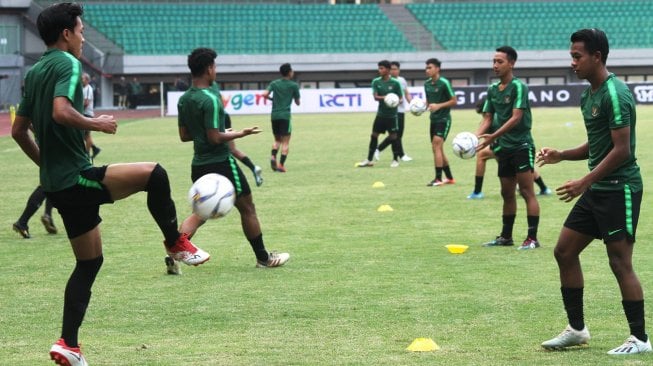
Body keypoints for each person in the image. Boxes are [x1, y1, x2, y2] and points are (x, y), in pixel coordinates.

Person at [11, 4, 210, 365]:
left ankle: (68, 345)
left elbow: (17, 130)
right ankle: (176, 242)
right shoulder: (67, 64)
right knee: (155, 174)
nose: (84, 38)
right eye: (81, 31)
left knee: (89, 263)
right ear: (67, 34)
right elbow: (59, 111)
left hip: (58, 185)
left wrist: (47, 165)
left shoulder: (36, 70)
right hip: (75, 180)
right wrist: (96, 123)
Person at [539, 28, 651, 355]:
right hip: (599, 188)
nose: (572, 62)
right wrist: (563, 155)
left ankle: (640, 340)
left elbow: (622, 150)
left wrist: (582, 182)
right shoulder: (589, 95)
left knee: (620, 262)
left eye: (577, 56)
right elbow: (597, 144)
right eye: (571, 55)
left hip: (620, 189)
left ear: (596, 56)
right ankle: (576, 329)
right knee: (564, 251)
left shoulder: (615, 93)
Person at [176, 47, 289, 270]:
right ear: (209, 69)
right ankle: (264, 258)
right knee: (248, 209)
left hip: (198, 164)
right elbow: (216, 137)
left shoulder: (184, 99)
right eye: (215, 66)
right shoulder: (211, 99)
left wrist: (203, 133)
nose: (215, 70)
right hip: (221, 163)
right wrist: (241, 133)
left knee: (200, 212)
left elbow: (184, 135)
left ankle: (175, 252)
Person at [476, 46, 541, 250]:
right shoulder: (492, 90)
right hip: (503, 148)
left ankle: (532, 238)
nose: (495, 65)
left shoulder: (519, 87)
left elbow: (516, 117)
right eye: (493, 61)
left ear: (511, 63)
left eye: (499, 61)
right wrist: (474, 137)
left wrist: (493, 136)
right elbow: (487, 118)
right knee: (507, 193)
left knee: (526, 191)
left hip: (521, 146)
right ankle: (506, 237)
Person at [468, 98, 551, 199]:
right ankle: (543, 188)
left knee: (482, 155)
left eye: (483, 113)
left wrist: (471, 142)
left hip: (506, 146)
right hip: (511, 145)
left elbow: (490, 136)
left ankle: (477, 192)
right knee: (523, 167)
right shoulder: (499, 116)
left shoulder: (493, 119)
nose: (483, 116)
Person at [357, 60, 403, 168]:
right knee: (373, 135)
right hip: (381, 115)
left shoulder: (395, 83)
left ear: (387, 70)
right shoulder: (376, 82)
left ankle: (395, 160)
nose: (380, 70)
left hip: (392, 116)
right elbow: (375, 97)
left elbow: (400, 98)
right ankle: (369, 159)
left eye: (382, 68)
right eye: (379, 68)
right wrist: (387, 98)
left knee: (393, 137)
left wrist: (396, 101)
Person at [424, 58, 457, 185]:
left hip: (444, 119)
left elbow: (454, 101)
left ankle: (438, 178)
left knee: (436, 146)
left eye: (430, 68)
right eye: (426, 68)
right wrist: (421, 107)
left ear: (437, 69)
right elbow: (428, 101)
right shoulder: (426, 84)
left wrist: (438, 106)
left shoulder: (444, 83)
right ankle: (449, 178)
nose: (427, 70)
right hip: (433, 120)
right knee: (438, 148)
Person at [261, 63, 300, 173]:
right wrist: (293, 98)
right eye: (292, 70)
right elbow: (297, 103)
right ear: (289, 72)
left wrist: (271, 99)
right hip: (285, 116)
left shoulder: (274, 83)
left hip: (274, 115)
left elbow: (264, 94)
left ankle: (273, 156)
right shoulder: (293, 86)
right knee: (285, 142)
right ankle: (281, 165)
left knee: (277, 140)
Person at [375, 61, 412, 163]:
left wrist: (412, 103)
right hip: (391, 113)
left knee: (398, 135)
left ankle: (396, 153)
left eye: (395, 69)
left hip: (401, 111)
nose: (393, 71)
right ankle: (398, 155)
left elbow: (407, 93)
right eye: (391, 69)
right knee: (395, 135)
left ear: (399, 70)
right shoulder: (387, 82)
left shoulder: (402, 81)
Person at [82, 72, 100, 159]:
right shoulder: (83, 88)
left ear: (87, 80)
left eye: (83, 79)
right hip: (84, 114)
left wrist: (77, 110)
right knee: (85, 135)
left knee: (86, 135)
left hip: (87, 114)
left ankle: (87, 153)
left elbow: (86, 103)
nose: (81, 80)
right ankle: (95, 149)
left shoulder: (88, 89)